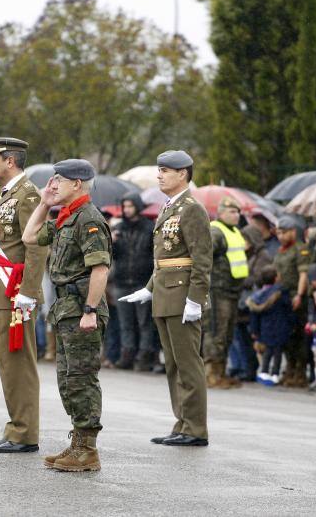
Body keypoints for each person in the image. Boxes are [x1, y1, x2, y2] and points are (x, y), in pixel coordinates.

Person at [23, 157, 112, 471]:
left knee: (81, 379)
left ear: (77, 183)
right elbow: (29, 236)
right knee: (67, 378)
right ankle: (77, 443)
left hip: (80, 309)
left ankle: (88, 450)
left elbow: (100, 269)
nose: (53, 184)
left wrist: (89, 310)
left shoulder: (88, 218)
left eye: (59, 180)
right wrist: (44, 204)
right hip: (66, 309)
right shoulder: (66, 217)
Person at [120, 150, 212, 447]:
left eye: (165, 170)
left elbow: (201, 259)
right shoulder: (168, 208)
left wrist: (196, 300)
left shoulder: (192, 208)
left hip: (183, 295)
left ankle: (196, 428)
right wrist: (149, 288)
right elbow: (164, 258)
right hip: (165, 294)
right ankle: (182, 422)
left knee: (188, 363)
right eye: (159, 170)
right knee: (173, 364)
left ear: (183, 173)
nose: (159, 175)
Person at [0, 137, 48, 454]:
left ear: (11, 161)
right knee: (7, 363)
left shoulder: (27, 195)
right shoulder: (7, 194)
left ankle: (25, 432)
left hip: (15, 291)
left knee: (20, 364)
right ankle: (16, 427)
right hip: (2, 291)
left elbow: (36, 245)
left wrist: (29, 291)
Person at [203, 196, 248, 389]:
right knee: (216, 332)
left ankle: (221, 372)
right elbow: (204, 257)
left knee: (227, 333)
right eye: (232, 211)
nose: (236, 215)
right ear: (220, 213)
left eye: (238, 212)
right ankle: (211, 374)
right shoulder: (216, 231)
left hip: (232, 290)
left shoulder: (235, 231)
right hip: (218, 290)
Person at [111, 191, 155, 371]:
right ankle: (127, 355)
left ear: (137, 206)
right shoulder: (119, 228)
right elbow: (112, 256)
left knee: (145, 321)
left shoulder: (149, 227)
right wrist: (111, 242)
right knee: (125, 322)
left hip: (142, 281)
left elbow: (154, 254)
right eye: (125, 206)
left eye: (130, 206)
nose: (127, 210)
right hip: (122, 281)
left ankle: (145, 357)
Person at [229, 224, 272, 381]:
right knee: (240, 337)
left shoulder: (262, 256)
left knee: (248, 337)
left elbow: (259, 278)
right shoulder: (245, 255)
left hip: (252, 301)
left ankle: (249, 369)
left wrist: (240, 279)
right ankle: (242, 367)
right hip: (242, 301)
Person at [273, 215, 310, 387]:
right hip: (284, 295)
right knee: (286, 334)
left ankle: (300, 372)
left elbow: (303, 274)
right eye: (279, 233)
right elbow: (278, 274)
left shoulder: (300, 249)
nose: (281, 236)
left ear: (293, 232)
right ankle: (290, 368)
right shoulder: (281, 251)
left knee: (298, 336)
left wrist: (300, 295)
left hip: (296, 294)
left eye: (284, 232)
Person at [247, 265, 292, 386]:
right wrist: (291, 324)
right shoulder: (281, 293)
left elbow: (254, 315)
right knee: (277, 351)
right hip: (280, 326)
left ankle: (264, 372)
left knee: (267, 351)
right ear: (276, 278)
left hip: (265, 327)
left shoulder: (257, 296)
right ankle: (275, 374)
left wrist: (254, 331)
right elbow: (288, 309)